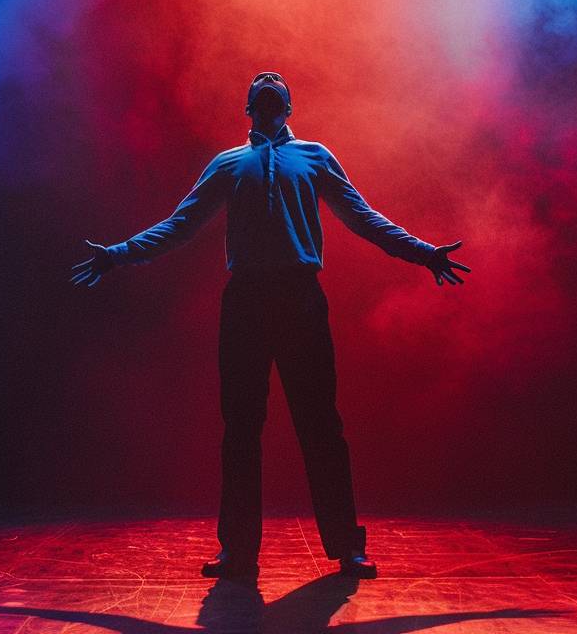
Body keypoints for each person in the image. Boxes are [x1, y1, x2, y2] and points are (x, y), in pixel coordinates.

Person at [70, 71, 471, 584]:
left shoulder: (316, 156)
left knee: (321, 426)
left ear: (288, 106)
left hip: (300, 298)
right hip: (247, 301)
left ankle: (348, 548)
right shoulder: (228, 164)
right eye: (260, 87)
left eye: (275, 86)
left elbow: (364, 218)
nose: (268, 84)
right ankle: (237, 552)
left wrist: (423, 253)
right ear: (248, 108)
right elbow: (179, 225)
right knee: (241, 430)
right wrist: (118, 254)